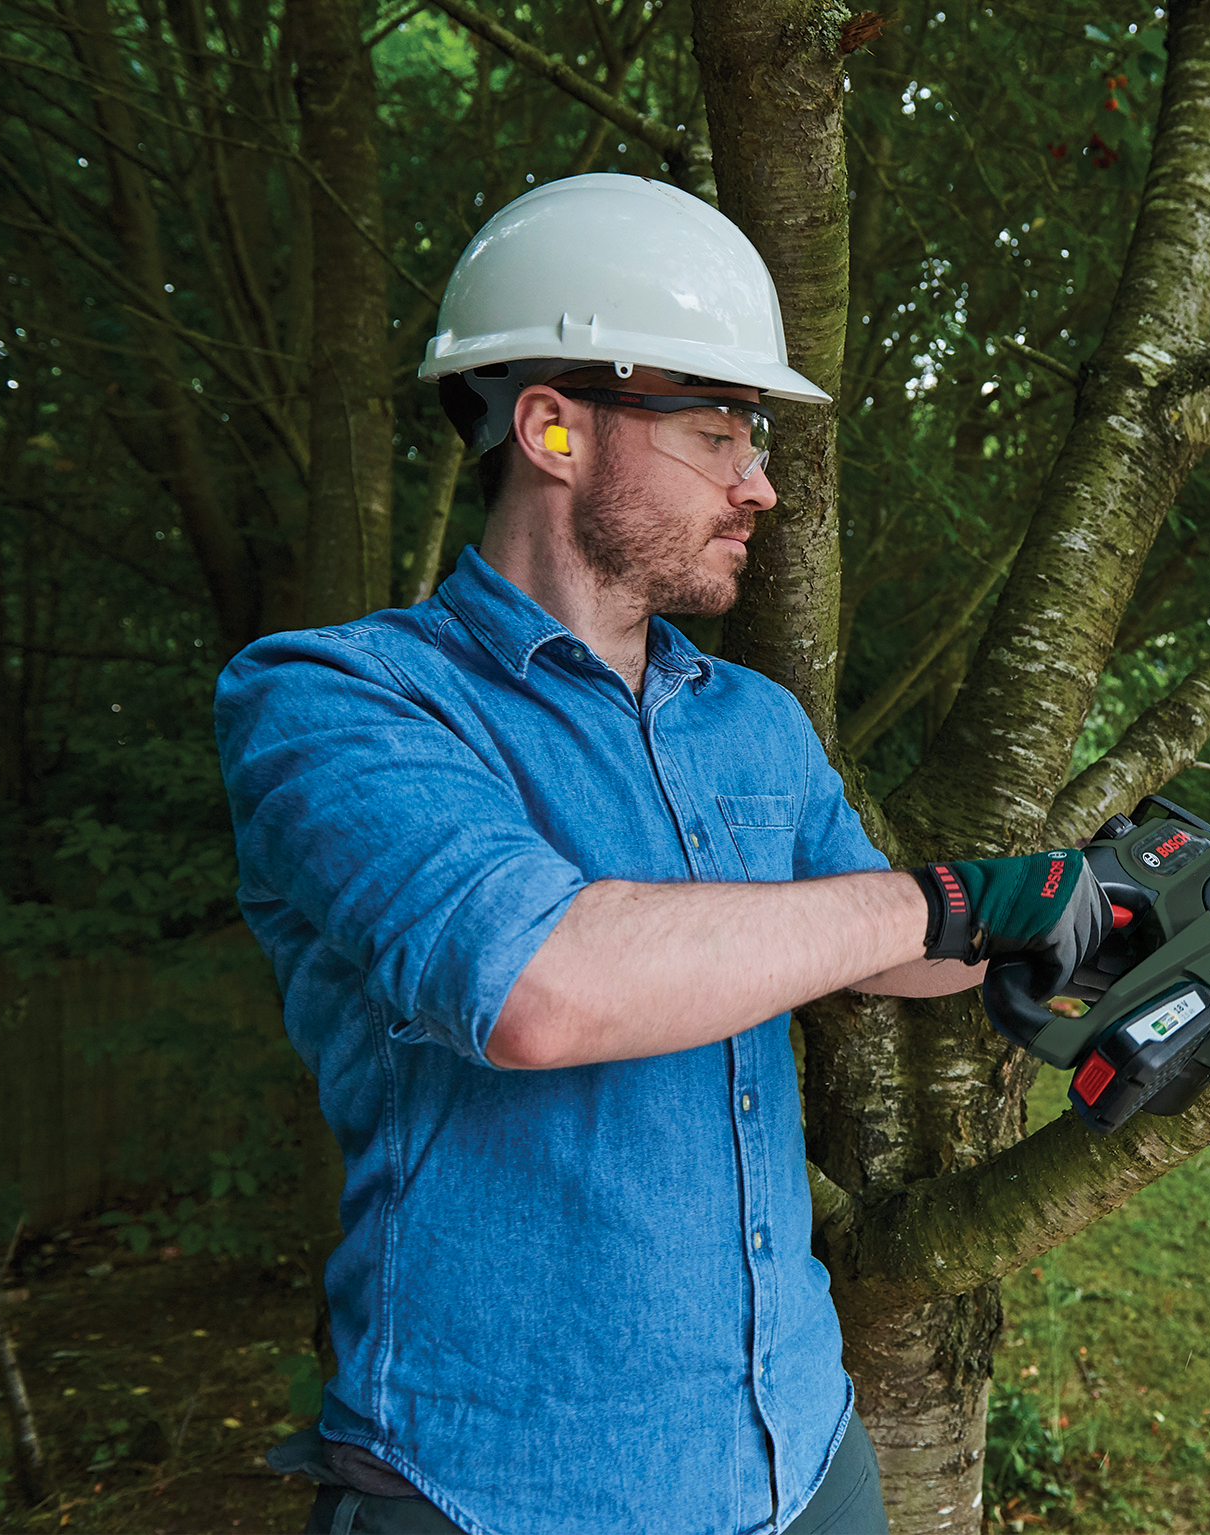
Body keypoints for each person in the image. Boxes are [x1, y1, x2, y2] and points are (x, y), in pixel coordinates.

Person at [216, 174, 1109, 1535]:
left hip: (800, 1450)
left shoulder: (748, 721)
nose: (761, 485)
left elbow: (879, 952)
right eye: (716, 433)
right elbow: (537, 986)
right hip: (505, 1486)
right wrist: (948, 901)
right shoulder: (340, 701)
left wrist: (1097, 917)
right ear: (553, 427)